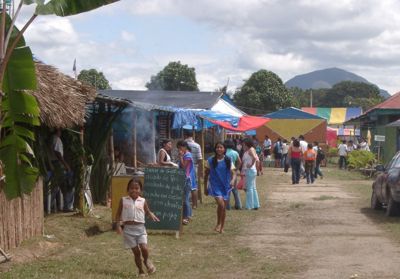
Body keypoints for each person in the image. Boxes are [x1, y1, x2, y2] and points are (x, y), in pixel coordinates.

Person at [115, 179, 159, 277]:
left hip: (140, 229)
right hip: (128, 230)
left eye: (136, 188)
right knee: (136, 252)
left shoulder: (143, 201)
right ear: (128, 189)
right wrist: (118, 225)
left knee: (144, 248)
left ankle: (146, 261)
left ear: (140, 190)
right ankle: (140, 270)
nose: (134, 190)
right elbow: (118, 214)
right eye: (131, 188)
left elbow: (147, 211)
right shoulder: (123, 200)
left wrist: (151, 214)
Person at [204, 142, 236, 233]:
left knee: (223, 207)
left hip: (226, 186)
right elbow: (206, 175)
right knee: (221, 204)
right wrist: (205, 188)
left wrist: (233, 180)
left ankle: (222, 227)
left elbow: (234, 173)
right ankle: (218, 224)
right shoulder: (210, 160)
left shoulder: (228, 160)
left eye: (221, 147)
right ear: (215, 149)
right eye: (217, 147)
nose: (219, 149)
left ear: (224, 149)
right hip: (215, 186)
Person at [50, 128, 73, 212]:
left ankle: (51, 206)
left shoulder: (52, 138)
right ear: (57, 131)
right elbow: (58, 153)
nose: (61, 132)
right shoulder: (56, 139)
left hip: (55, 163)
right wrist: (65, 164)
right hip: (58, 164)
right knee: (65, 185)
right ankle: (67, 206)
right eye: (60, 130)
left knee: (56, 186)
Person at [177, 140, 196, 225]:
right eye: (178, 148)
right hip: (184, 178)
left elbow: (183, 166)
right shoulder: (185, 154)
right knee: (185, 198)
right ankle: (189, 214)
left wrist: (180, 157)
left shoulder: (187, 155)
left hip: (187, 179)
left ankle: (186, 217)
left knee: (185, 199)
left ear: (184, 147)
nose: (179, 150)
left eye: (180, 148)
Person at [184, 130, 202, 209]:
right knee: (193, 186)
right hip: (194, 166)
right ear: (192, 136)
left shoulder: (183, 144)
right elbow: (200, 159)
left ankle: (185, 202)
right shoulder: (197, 145)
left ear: (185, 135)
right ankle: (194, 204)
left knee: (184, 185)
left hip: (184, 167)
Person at [242, 138, 260, 210]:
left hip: (250, 170)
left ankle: (250, 206)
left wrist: (251, 165)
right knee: (253, 188)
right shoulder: (250, 149)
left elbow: (255, 158)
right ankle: (255, 204)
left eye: (244, 144)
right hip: (251, 170)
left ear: (247, 144)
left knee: (250, 188)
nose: (243, 146)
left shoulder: (250, 149)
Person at [224, 139, 242, 210]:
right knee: (235, 190)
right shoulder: (235, 152)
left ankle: (227, 206)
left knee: (227, 190)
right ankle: (238, 205)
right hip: (233, 172)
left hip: (226, 172)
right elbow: (240, 162)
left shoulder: (224, 153)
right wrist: (236, 169)